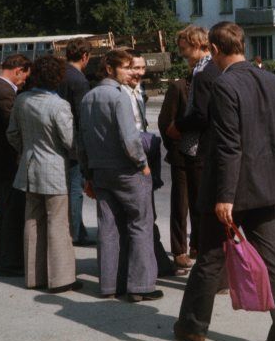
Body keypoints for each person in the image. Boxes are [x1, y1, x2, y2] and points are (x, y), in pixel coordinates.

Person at [174, 22, 275, 341]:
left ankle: (192, 327)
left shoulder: (224, 84)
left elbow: (228, 145)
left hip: (230, 187)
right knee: (272, 258)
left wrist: (225, 195)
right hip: (266, 184)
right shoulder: (272, 80)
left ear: (214, 49)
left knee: (211, 256)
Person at [79, 50, 162, 302]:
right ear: (109, 69)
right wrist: (142, 163)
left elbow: (81, 140)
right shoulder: (119, 97)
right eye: (125, 68)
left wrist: (87, 172)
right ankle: (140, 286)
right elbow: (130, 138)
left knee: (108, 227)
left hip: (100, 171)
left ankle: (109, 284)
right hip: (126, 170)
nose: (130, 72)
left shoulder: (88, 98)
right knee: (140, 224)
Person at [7, 56, 80, 293]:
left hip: (29, 169)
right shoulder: (59, 105)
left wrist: (26, 150)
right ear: (57, 77)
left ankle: (34, 276)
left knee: (32, 221)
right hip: (55, 171)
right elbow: (70, 141)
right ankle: (61, 279)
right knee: (58, 224)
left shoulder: (22, 100)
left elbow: (12, 133)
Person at [121, 52, 182, 278]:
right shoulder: (121, 93)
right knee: (142, 214)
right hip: (134, 158)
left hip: (143, 152)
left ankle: (155, 261)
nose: (139, 73)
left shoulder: (138, 90)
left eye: (142, 68)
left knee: (148, 212)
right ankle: (150, 265)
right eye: (134, 68)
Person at [166, 25, 221, 260]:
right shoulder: (202, 68)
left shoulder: (206, 70)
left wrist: (178, 125)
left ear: (198, 44)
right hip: (198, 147)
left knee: (201, 206)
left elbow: (202, 114)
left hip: (201, 148)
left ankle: (206, 259)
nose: (182, 53)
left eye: (184, 47)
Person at [0, 54, 32, 276]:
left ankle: (1, 260)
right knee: (12, 214)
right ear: (18, 70)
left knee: (4, 214)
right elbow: (13, 130)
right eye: (24, 77)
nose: (23, 82)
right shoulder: (5, 93)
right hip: (10, 162)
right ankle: (10, 263)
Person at [56, 38, 95, 247]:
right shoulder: (79, 80)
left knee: (68, 187)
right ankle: (76, 232)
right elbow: (83, 115)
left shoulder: (60, 74)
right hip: (74, 141)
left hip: (58, 138)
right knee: (75, 188)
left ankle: (74, 228)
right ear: (85, 56)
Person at [159, 75, 196, 270]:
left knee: (202, 204)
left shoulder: (212, 83)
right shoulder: (179, 87)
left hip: (204, 156)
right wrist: (174, 147)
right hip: (181, 156)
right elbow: (165, 121)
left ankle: (197, 245)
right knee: (181, 204)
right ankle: (179, 250)